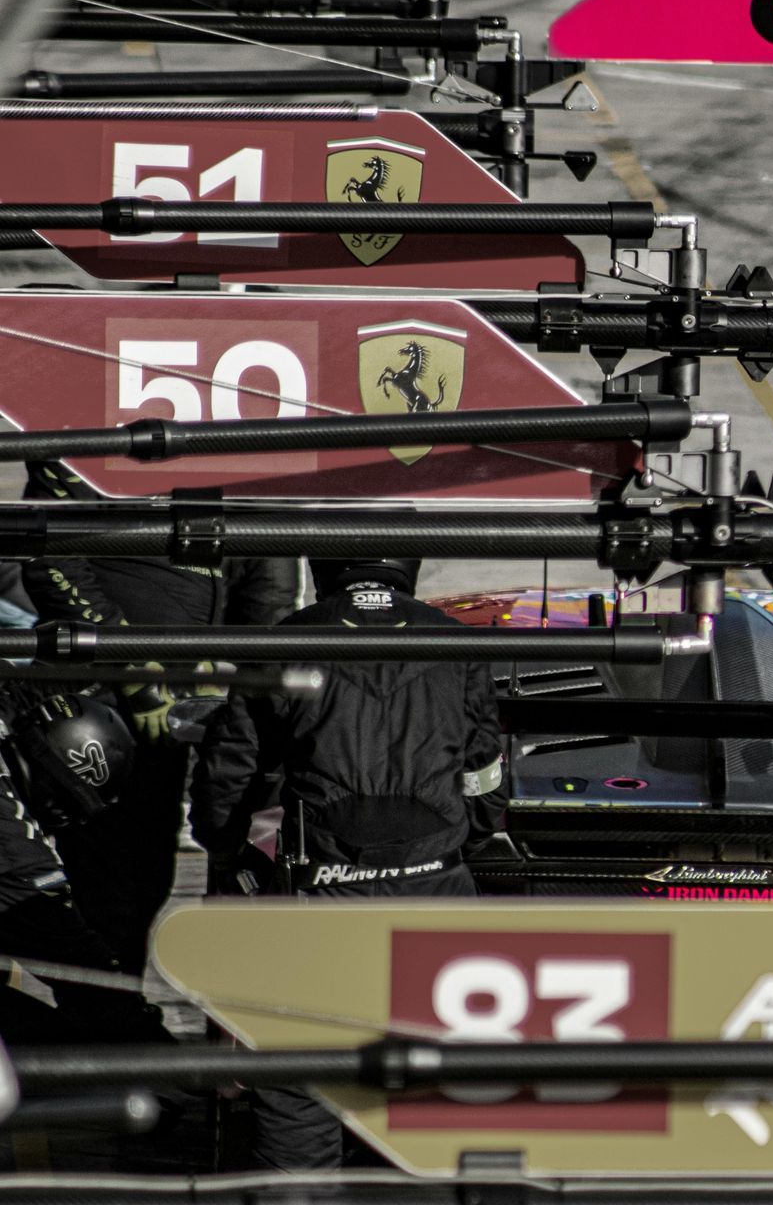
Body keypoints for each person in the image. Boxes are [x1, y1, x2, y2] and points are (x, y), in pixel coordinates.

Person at [189, 558, 504, 1171]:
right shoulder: (456, 639)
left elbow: (228, 776)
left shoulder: (285, 642)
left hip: (320, 898)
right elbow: (486, 778)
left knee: (299, 1079)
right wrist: (458, 848)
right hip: (435, 890)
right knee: (441, 1082)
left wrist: (233, 858)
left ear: (322, 565)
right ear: (405, 567)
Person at [19, 461, 301, 976]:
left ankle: (119, 1011)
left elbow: (269, 595)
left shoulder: (242, 434)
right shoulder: (98, 419)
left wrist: (244, 684)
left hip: (182, 712)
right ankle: (86, 1025)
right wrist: (136, 671)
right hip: (90, 706)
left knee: (148, 875)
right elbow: (50, 556)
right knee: (74, 878)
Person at [0, 691, 174, 1045]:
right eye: (68, 807)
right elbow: (84, 972)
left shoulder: (10, 707)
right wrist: (181, 1067)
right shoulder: (16, 846)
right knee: (58, 1045)